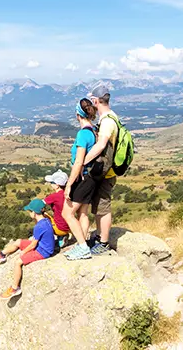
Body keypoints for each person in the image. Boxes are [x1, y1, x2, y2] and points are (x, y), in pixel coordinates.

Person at [0, 198, 56, 299]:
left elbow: (33, 245)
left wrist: (23, 252)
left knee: (18, 262)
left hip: (43, 251)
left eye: (30, 211)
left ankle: (15, 288)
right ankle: (2, 254)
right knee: (18, 242)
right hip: (42, 245)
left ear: (34, 213)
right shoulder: (46, 219)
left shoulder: (39, 226)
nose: (29, 213)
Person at [82, 84, 119, 256]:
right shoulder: (111, 117)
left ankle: (103, 242)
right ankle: (99, 236)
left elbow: (101, 145)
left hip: (106, 172)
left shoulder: (107, 122)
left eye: (92, 100)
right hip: (106, 171)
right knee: (98, 206)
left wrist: (83, 161)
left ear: (96, 101)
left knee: (103, 207)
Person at [62, 98, 100, 260]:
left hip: (82, 178)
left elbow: (78, 162)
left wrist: (69, 185)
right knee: (82, 212)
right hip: (91, 178)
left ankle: (83, 248)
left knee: (67, 213)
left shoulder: (83, 134)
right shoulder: (94, 131)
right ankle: (81, 244)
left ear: (78, 114)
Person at [42, 169, 71, 245]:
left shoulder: (54, 196)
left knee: (44, 216)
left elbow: (39, 204)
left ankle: (50, 241)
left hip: (59, 228)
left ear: (57, 185)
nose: (50, 184)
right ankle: (62, 237)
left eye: (52, 182)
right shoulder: (68, 194)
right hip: (70, 227)